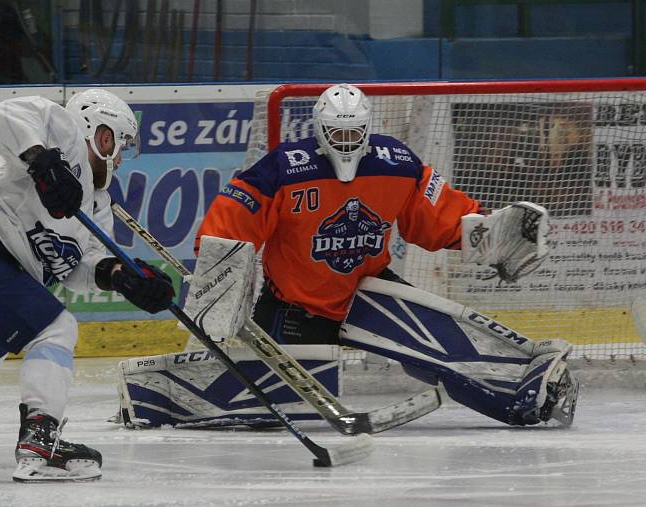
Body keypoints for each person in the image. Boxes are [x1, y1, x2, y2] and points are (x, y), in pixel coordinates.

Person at [193, 83, 578, 428]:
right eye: (337, 132)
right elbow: (228, 229)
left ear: (368, 128)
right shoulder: (281, 170)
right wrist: (218, 288)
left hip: (368, 292)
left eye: (354, 131)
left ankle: (525, 396)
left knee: (444, 359)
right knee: (269, 411)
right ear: (320, 129)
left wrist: (489, 233)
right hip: (294, 307)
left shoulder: (397, 163)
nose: (346, 140)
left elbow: (438, 220)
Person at [0, 89, 175, 482]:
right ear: (103, 133)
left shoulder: (97, 205)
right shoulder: (62, 132)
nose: (119, 159)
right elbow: (3, 114)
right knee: (57, 330)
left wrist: (121, 276)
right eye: (120, 146)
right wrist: (42, 161)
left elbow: (75, 269)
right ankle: (40, 446)